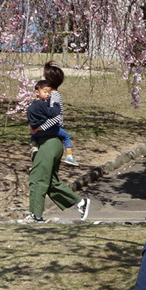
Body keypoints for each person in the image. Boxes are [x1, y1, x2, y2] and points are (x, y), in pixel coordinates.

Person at [25, 72, 90, 223]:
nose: (42, 78)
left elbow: (57, 117)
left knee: (37, 178)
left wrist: (39, 128)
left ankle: (36, 215)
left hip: (50, 142)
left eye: (45, 76)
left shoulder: (53, 96)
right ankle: (80, 202)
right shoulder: (47, 98)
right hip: (48, 143)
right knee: (51, 182)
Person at [41, 62, 81, 167]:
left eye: (44, 76)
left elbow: (54, 114)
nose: (42, 77)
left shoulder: (51, 95)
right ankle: (69, 155)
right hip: (52, 127)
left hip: (50, 126)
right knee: (67, 136)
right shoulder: (53, 95)